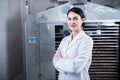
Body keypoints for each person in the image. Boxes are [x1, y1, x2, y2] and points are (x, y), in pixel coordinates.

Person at [53, 7, 93, 80]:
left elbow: (76, 67)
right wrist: (68, 65)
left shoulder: (87, 40)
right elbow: (54, 61)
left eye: (75, 18)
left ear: (82, 20)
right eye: (69, 19)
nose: (72, 22)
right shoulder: (64, 40)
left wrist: (60, 61)